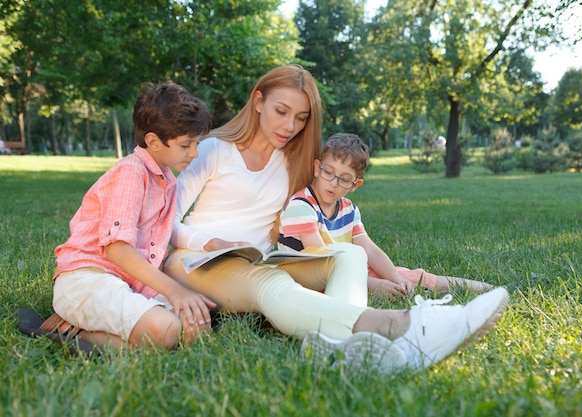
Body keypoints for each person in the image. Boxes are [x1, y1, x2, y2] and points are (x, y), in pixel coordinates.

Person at [164, 64, 509, 373]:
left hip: (261, 261)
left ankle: (341, 351)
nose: (290, 126)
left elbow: (335, 189)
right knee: (270, 284)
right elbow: (165, 220)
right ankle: (404, 325)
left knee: (350, 254)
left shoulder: (293, 163)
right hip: (197, 261)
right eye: (281, 111)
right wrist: (209, 242)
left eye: (300, 118)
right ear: (258, 102)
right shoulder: (213, 150)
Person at [18, 81, 215, 353]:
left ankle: (87, 328)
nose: (194, 153)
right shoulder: (131, 173)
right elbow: (117, 250)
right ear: (154, 142)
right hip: (88, 280)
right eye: (186, 145)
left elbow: (162, 235)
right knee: (168, 331)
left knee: (196, 327)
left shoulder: (165, 179)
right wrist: (174, 290)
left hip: (127, 284)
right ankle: (68, 328)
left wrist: (209, 244)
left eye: (196, 143)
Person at [279, 132, 493, 298]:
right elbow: (321, 264)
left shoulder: (348, 209)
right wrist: (373, 286)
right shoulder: (302, 206)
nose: (334, 183)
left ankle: (492, 290)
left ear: (355, 185)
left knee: (417, 278)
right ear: (317, 168)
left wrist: (396, 279)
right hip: (311, 278)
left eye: (345, 179)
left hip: (346, 271)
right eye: (328, 172)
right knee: (368, 288)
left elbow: (369, 249)